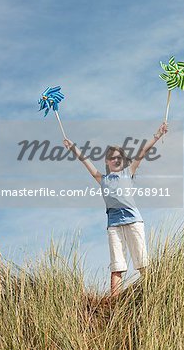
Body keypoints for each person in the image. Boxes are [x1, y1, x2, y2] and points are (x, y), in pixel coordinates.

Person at [63, 122, 168, 297]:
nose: (116, 160)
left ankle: (153, 294)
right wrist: (73, 148)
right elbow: (86, 162)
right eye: (112, 158)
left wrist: (157, 135)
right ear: (107, 161)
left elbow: (142, 153)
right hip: (114, 225)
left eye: (119, 157)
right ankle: (115, 302)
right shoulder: (103, 179)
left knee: (142, 261)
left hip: (133, 221)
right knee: (117, 266)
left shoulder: (128, 172)